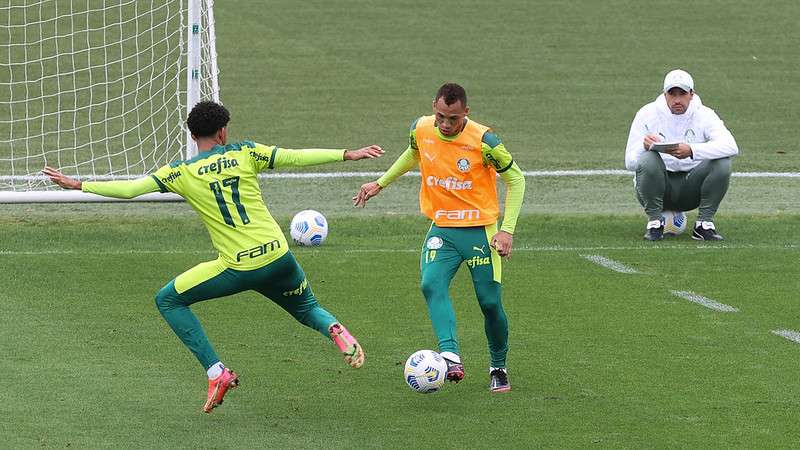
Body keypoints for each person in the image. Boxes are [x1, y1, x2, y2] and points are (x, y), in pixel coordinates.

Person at [43, 100, 383, 413]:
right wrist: (347, 154)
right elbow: (295, 156)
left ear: (193, 136)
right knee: (308, 308)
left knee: (168, 300)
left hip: (238, 267)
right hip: (279, 255)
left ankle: (217, 372)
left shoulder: (181, 173)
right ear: (223, 131)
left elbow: (130, 190)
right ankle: (334, 328)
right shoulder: (246, 152)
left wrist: (78, 185)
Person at [353, 83, 525, 393]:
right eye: (441, 116)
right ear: (433, 106)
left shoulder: (485, 141)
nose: (445, 124)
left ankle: (498, 366)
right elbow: (413, 153)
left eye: (453, 118)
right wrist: (381, 183)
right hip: (442, 230)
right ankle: (450, 355)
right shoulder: (420, 128)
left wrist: (506, 230)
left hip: (480, 232)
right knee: (431, 283)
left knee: (489, 303)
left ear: (466, 114)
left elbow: (516, 179)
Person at [625, 69, 739, 241]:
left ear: (691, 94)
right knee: (648, 159)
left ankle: (704, 224)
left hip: (690, 189)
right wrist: (644, 146)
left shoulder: (705, 114)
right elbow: (630, 162)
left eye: (682, 94)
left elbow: (731, 146)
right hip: (656, 189)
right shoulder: (647, 114)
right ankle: (655, 223)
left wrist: (692, 151)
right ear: (664, 95)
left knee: (722, 162)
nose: (677, 100)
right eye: (672, 94)